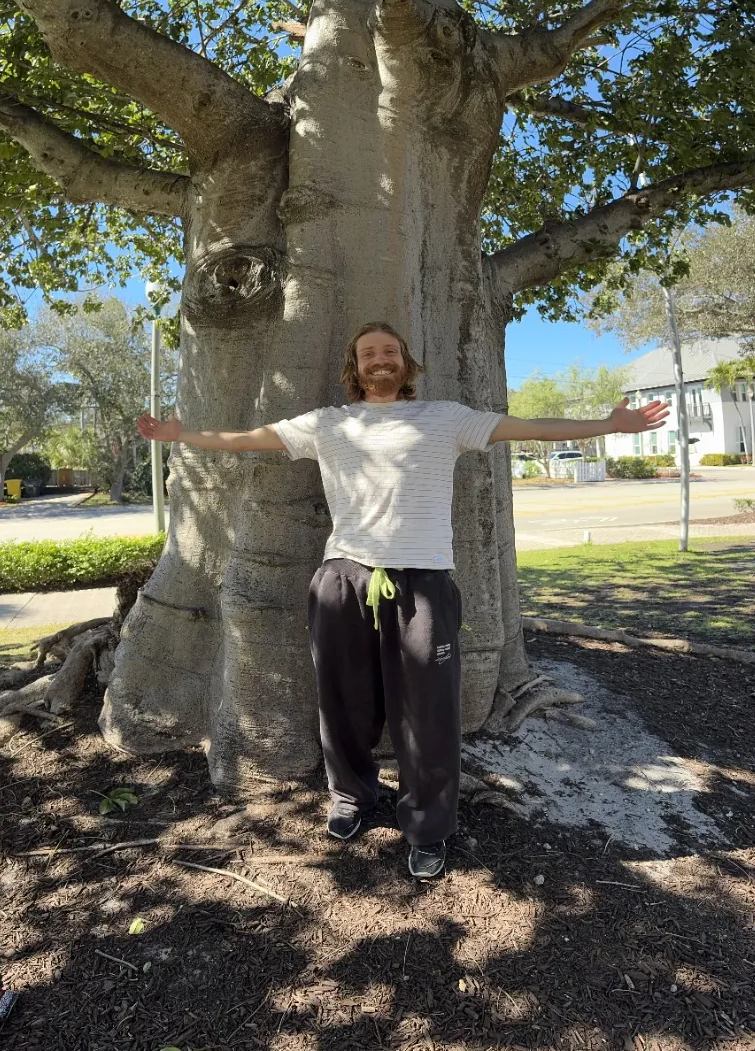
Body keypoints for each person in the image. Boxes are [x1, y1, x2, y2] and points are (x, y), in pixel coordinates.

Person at [138, 323, 668, 882]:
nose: (379, 360)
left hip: (424, 582)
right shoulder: (329, 423)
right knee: (343, 699)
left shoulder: (445, 417)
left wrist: (608, 425)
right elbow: (252, 438)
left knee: (427, 710)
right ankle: (352, 797)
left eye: (389, 351)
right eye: (368, 353)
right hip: (343, 576)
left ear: (405, 363)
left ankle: (428, 826)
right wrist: (186, 434)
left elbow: (529, 428)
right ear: (355, 366)